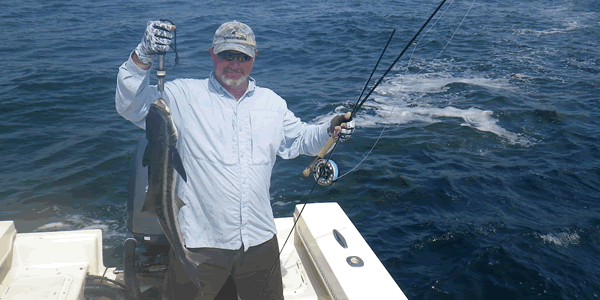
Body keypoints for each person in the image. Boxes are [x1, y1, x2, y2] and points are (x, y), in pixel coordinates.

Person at [115, 20, 355, 300]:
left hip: (259, 240)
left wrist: (331, 129)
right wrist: (142, 57)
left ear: (254, 58)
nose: (234, 64)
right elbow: (131, 106)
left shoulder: (272, 103)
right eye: (227, 55)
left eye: (242, 56)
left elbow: (300, 140)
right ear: (212, 54)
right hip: (200, 241)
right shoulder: (182, 96)